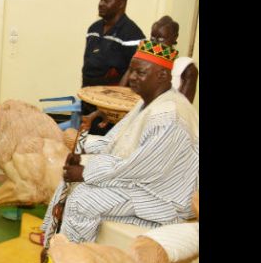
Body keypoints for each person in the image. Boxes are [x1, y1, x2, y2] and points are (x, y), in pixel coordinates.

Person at [40, 40, 199, 246]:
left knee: (83, 199)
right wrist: (82, 154)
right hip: (142, 180)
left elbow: (140, 169)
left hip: (163, 198)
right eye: (131, 71)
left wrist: (86, 172)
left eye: (140, 72)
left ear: (162, 76)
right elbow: (116, 142)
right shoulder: (149, 101)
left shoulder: (169, 117)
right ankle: (53, 237)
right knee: (70, 174)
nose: (131, 77)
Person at [81, 0, 146, 134]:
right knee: (85, 139)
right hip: (88, 99)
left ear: (121, 4)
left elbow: (135, 71)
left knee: (104, 144)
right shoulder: (93, 29)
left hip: (112, 108)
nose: (101, 4)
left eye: (107, 1)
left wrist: (118, 101)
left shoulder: (132, 34)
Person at [120, 15, 198, 103]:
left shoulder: (186, 68)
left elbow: (183, 107)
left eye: (161, 39)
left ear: (175, 37)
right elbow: (121, 91)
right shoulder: (143, 62)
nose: (155, 43)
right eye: (152, 38)